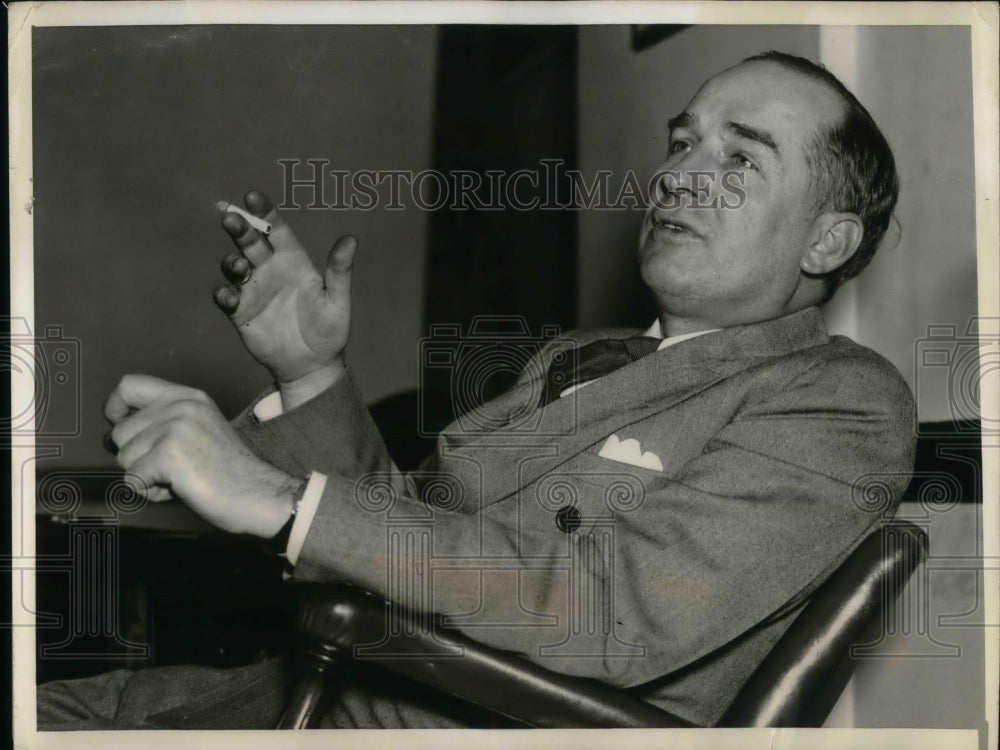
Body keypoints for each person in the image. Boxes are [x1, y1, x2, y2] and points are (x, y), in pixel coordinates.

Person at [37, 51, 915, 730]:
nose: (680, 173)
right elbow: (407, 539)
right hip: (291, 687)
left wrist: (273, 494)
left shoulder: (839, 401)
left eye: (740, 158)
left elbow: (613, 614)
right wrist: (309, 373)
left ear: (827, 243)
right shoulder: (581, 357)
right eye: (684, 140)